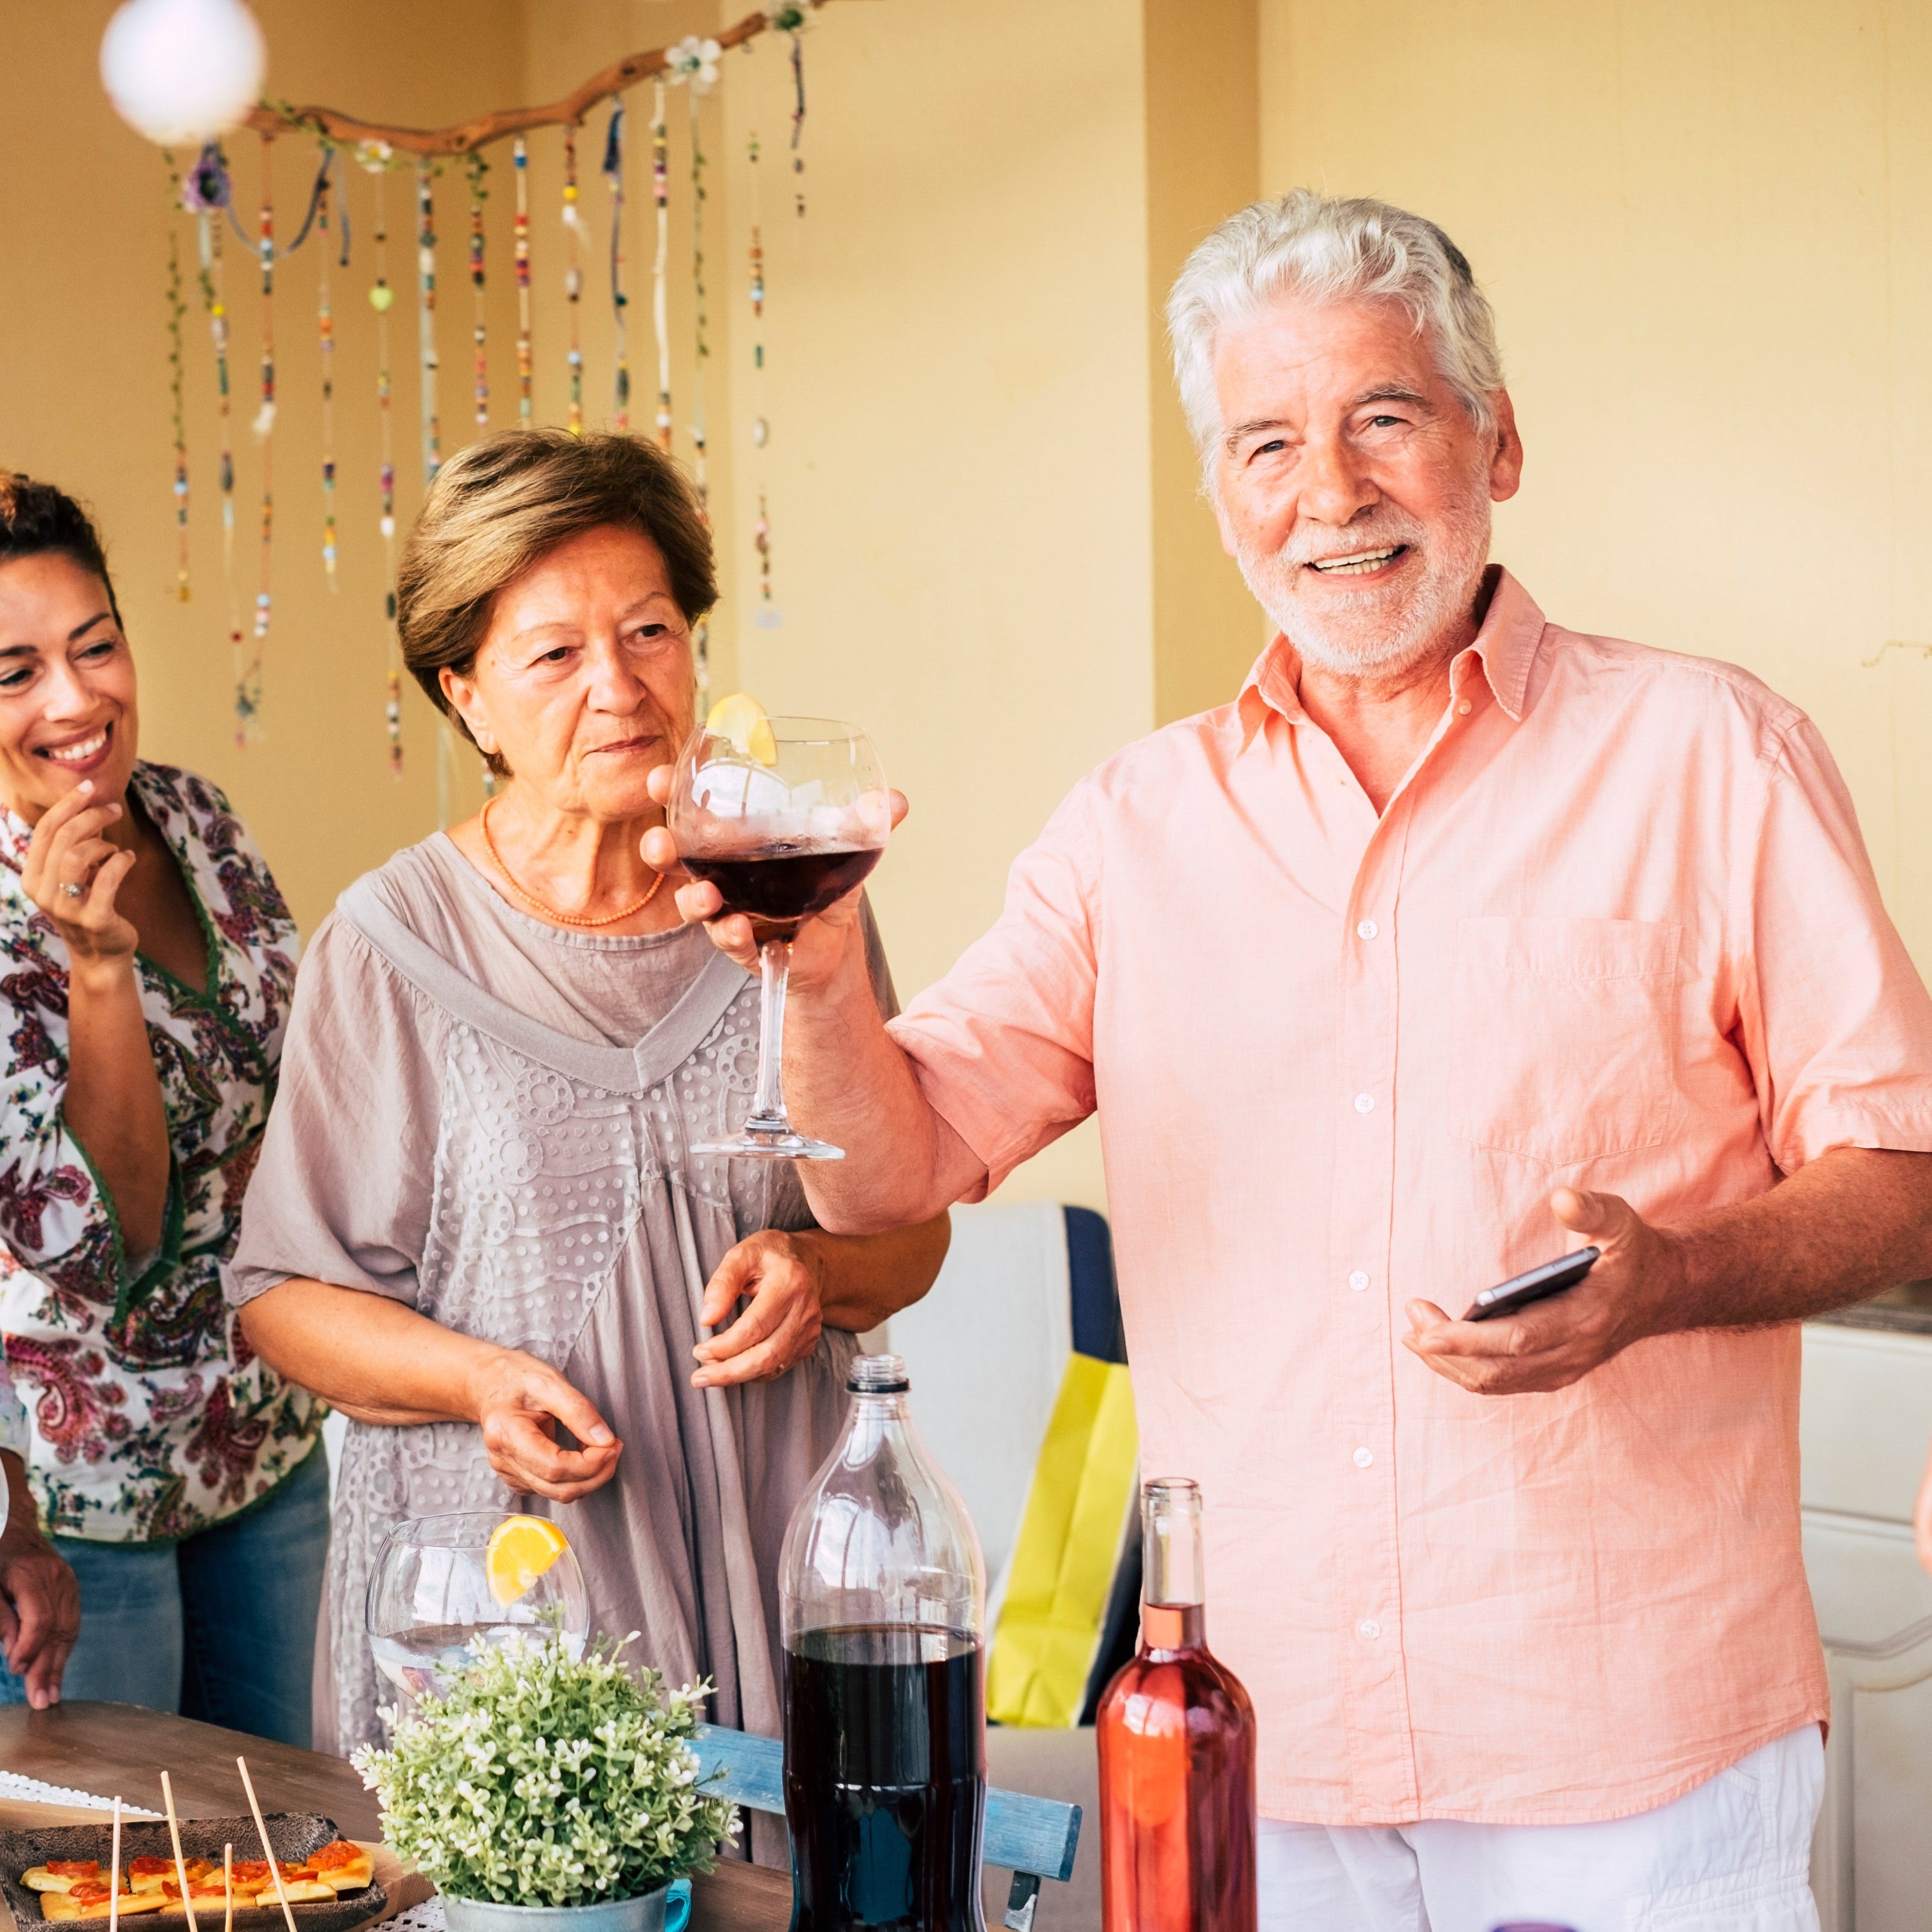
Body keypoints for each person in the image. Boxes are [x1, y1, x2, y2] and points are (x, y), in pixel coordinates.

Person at [648, 193, 1932, 1930]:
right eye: (1266, 442)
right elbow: (892, 1167)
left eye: (1380, 419)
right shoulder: (1130, 822)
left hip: (1626, 1749)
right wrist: (805, 970)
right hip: (1258, 1745)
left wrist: (1671, 1273)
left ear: (1496, 440)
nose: (1326, 492)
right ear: (1220, 498)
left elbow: (1902, 1178)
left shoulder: (1710, 752)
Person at [230, 428, 950, 1767]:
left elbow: (913, 1228)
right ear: (467, 697)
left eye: (650, 631)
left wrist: (814, 1265)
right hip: (499, 1603)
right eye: (553, 654)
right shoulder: (390, 946)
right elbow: (280, 1293)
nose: (619, 686)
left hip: (774, 1561)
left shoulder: (791, 889)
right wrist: (479, 1377)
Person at [0, 473, 325, 1738]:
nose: (77, 699)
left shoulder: (196, 815)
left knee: (295, 1854)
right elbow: (104, 1238)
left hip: (268, 1446)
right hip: (75, 1507)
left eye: (96, 645)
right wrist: (98, 966)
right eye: (12, 671)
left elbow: (301, 1087)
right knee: (121, 1884)